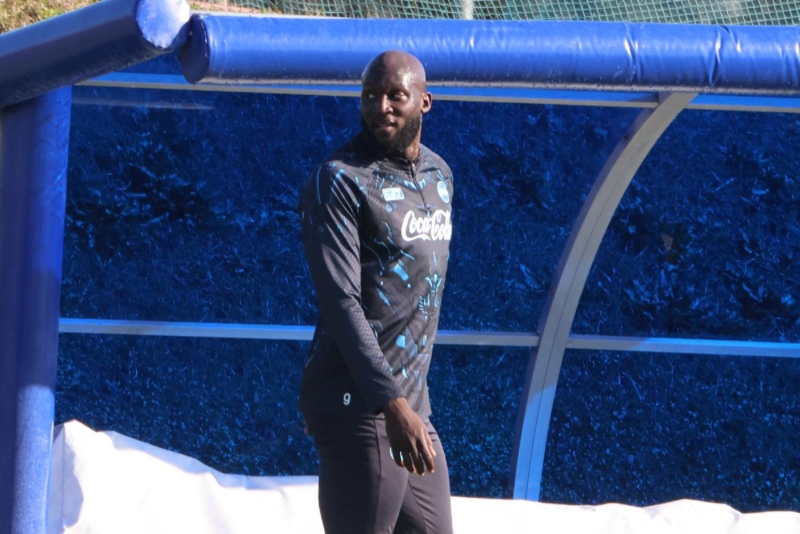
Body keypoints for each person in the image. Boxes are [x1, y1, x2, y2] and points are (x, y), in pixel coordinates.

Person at [298, 50, 455, 534]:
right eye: (369, 95)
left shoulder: (440, 176)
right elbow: (340, 302)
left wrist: (408, 406)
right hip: (359, 406)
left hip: (411, 407)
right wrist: (393, 405)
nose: (380, 106)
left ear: (424, 102)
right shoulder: (340, 179)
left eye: (394, 95)